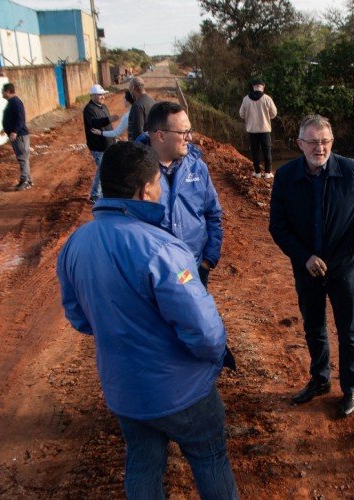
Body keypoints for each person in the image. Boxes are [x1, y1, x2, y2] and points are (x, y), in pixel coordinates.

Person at [56, 141, 238, 499]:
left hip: (125, 389)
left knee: (142, 464)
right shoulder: (162, 249)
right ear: (145, 190)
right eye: (159, 182)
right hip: (183, 390)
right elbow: (204, 333)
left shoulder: (75, 244)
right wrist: (216, 356)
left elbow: (79, 318)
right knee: (210, 458)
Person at [269, 114, 354, 417]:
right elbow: (277, 227)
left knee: (349, 331)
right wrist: (303, 256)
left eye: (325, 141)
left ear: (332, 142)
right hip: (307, 267)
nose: (319, 148)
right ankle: (320, 380)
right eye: (313, 142)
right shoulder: (286, 176)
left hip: (344, 266)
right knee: (314, 327)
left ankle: (351, 388)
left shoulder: (352, 173)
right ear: (300, 144)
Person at [140, 101, 223, 289]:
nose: (190, 137)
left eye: (189, 130)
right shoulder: (135, 172)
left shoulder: (198, 167)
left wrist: (207, 261)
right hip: (154, 276)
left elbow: (213, 214)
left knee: (192, 318)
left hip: (194, 269)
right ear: (160, 135)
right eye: (183, 132)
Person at [83, 84, 118, 202]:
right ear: (92, 96)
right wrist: (109, 119)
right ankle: (95, 194)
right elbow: (95, 123)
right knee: (103, 169)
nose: (103, 97)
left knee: (104, 169)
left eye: (103, 94)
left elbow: (108, 126)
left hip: (107, 143)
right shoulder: (89, 109)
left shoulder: (103, 107)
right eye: (100, 95)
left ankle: (99, 193)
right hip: (98, 146)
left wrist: (113, 137)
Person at [238, 78, 277, 179]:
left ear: (253, 87)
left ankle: (258, 172)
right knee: (267, 151)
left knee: (255, 151)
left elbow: (241, 114)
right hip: (265, 130)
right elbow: (274, 113)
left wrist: (248, 117)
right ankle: (268, 173)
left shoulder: (246, 99)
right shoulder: (267, 98)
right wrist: (267, 117)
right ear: (263, 87)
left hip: (252, 130)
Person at [1, 83, 33, 190]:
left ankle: (25, 180)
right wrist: (5, 128)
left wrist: (14, 131)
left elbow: (20, 119)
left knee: (22, 157)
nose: (2, 93)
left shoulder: (15, 102)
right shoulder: (12, 102)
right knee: (23, 157)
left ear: (8, 91)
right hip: (18, 134)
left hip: (20, 135)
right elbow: (12, 118)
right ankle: (27, 179)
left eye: (3, 91)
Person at [128, 76, 155, 141]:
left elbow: (138, 132)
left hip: (142, 146)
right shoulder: (152, 101)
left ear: (133, 87)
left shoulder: (137, 105)